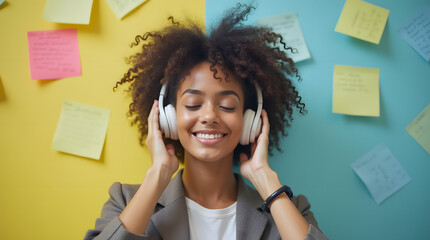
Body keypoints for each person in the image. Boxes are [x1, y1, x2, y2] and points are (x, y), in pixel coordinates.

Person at [84, 4, 329, 240]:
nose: (210, 116)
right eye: (192, 104)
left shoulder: (289, 208)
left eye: (227, 106)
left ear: (250, 119)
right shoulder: (125, 200)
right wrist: (157, 175)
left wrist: (265, 181)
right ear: (167, 116)